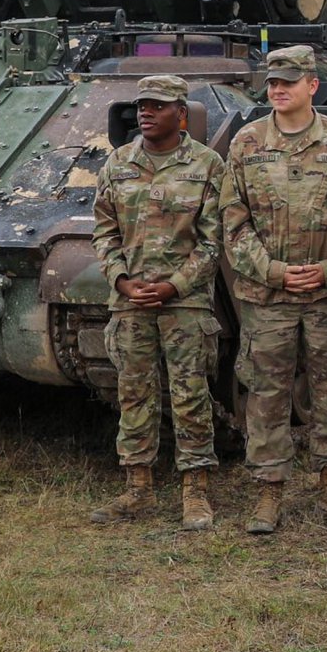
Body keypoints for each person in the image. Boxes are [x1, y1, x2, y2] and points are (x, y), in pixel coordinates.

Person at [220, 45, 327, 535]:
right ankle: (268, 493)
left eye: (288, 81)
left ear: (312, 85)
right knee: (266, 394)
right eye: (272, 82)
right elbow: (233, 223)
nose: (277, 89)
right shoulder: (246, 143)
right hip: (268, 298)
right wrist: (275, 271)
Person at [90, 74, 225, 531]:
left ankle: (196, 492)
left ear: (181, 113)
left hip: (184, 304)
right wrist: (122, 280)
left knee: (190, 395)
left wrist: (175, 286)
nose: (146, 112)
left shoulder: (207, 165)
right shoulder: (118, 163)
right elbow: (104, 232)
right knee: (134, 394)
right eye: (142, 105)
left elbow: (213, 241)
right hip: (130, 302)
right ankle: (138, 488)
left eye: (158, 105)